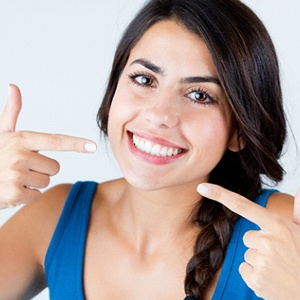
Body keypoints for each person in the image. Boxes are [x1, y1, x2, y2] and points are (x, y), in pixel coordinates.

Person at [0, 0, 299, 299]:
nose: (160, 115)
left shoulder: (282, 232)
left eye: (199, 95)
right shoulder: (54, 218)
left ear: (240, 129)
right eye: (144, 79)